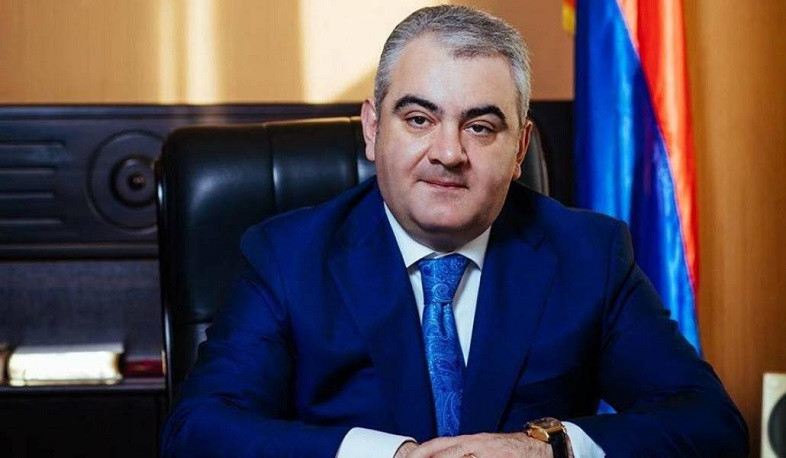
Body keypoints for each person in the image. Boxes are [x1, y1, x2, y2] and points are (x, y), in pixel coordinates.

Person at [161, 5, 748, 457]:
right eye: (419, 119)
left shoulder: (589, 256)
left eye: (481, 127)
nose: (448, 153)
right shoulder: (289, 257)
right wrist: (387, 456)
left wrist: (549, 449)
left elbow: (709, 424)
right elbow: (197, 431)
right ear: (373, 129)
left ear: (520, 149)